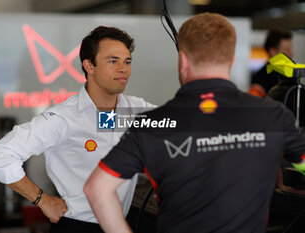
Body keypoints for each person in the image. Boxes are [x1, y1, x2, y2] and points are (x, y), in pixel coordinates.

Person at [84, 13, 305, 233]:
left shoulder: (153, 123)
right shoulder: (273, 116)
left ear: (183, 60)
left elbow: (97, 189)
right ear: (231, 59)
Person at [0, 26, 155, 233]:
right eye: (113, 61)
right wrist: (42, 200)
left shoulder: (136, 110)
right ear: (89, 66)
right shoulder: (64, 118)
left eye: (127, 61)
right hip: (78, 226)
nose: (123, 69)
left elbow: (182, 125)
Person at [249, 29, 293, 97]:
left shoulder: (290, 76)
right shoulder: (260, 78)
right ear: (272, 51)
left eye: (290, 49)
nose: (291, 53)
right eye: (286, 50)